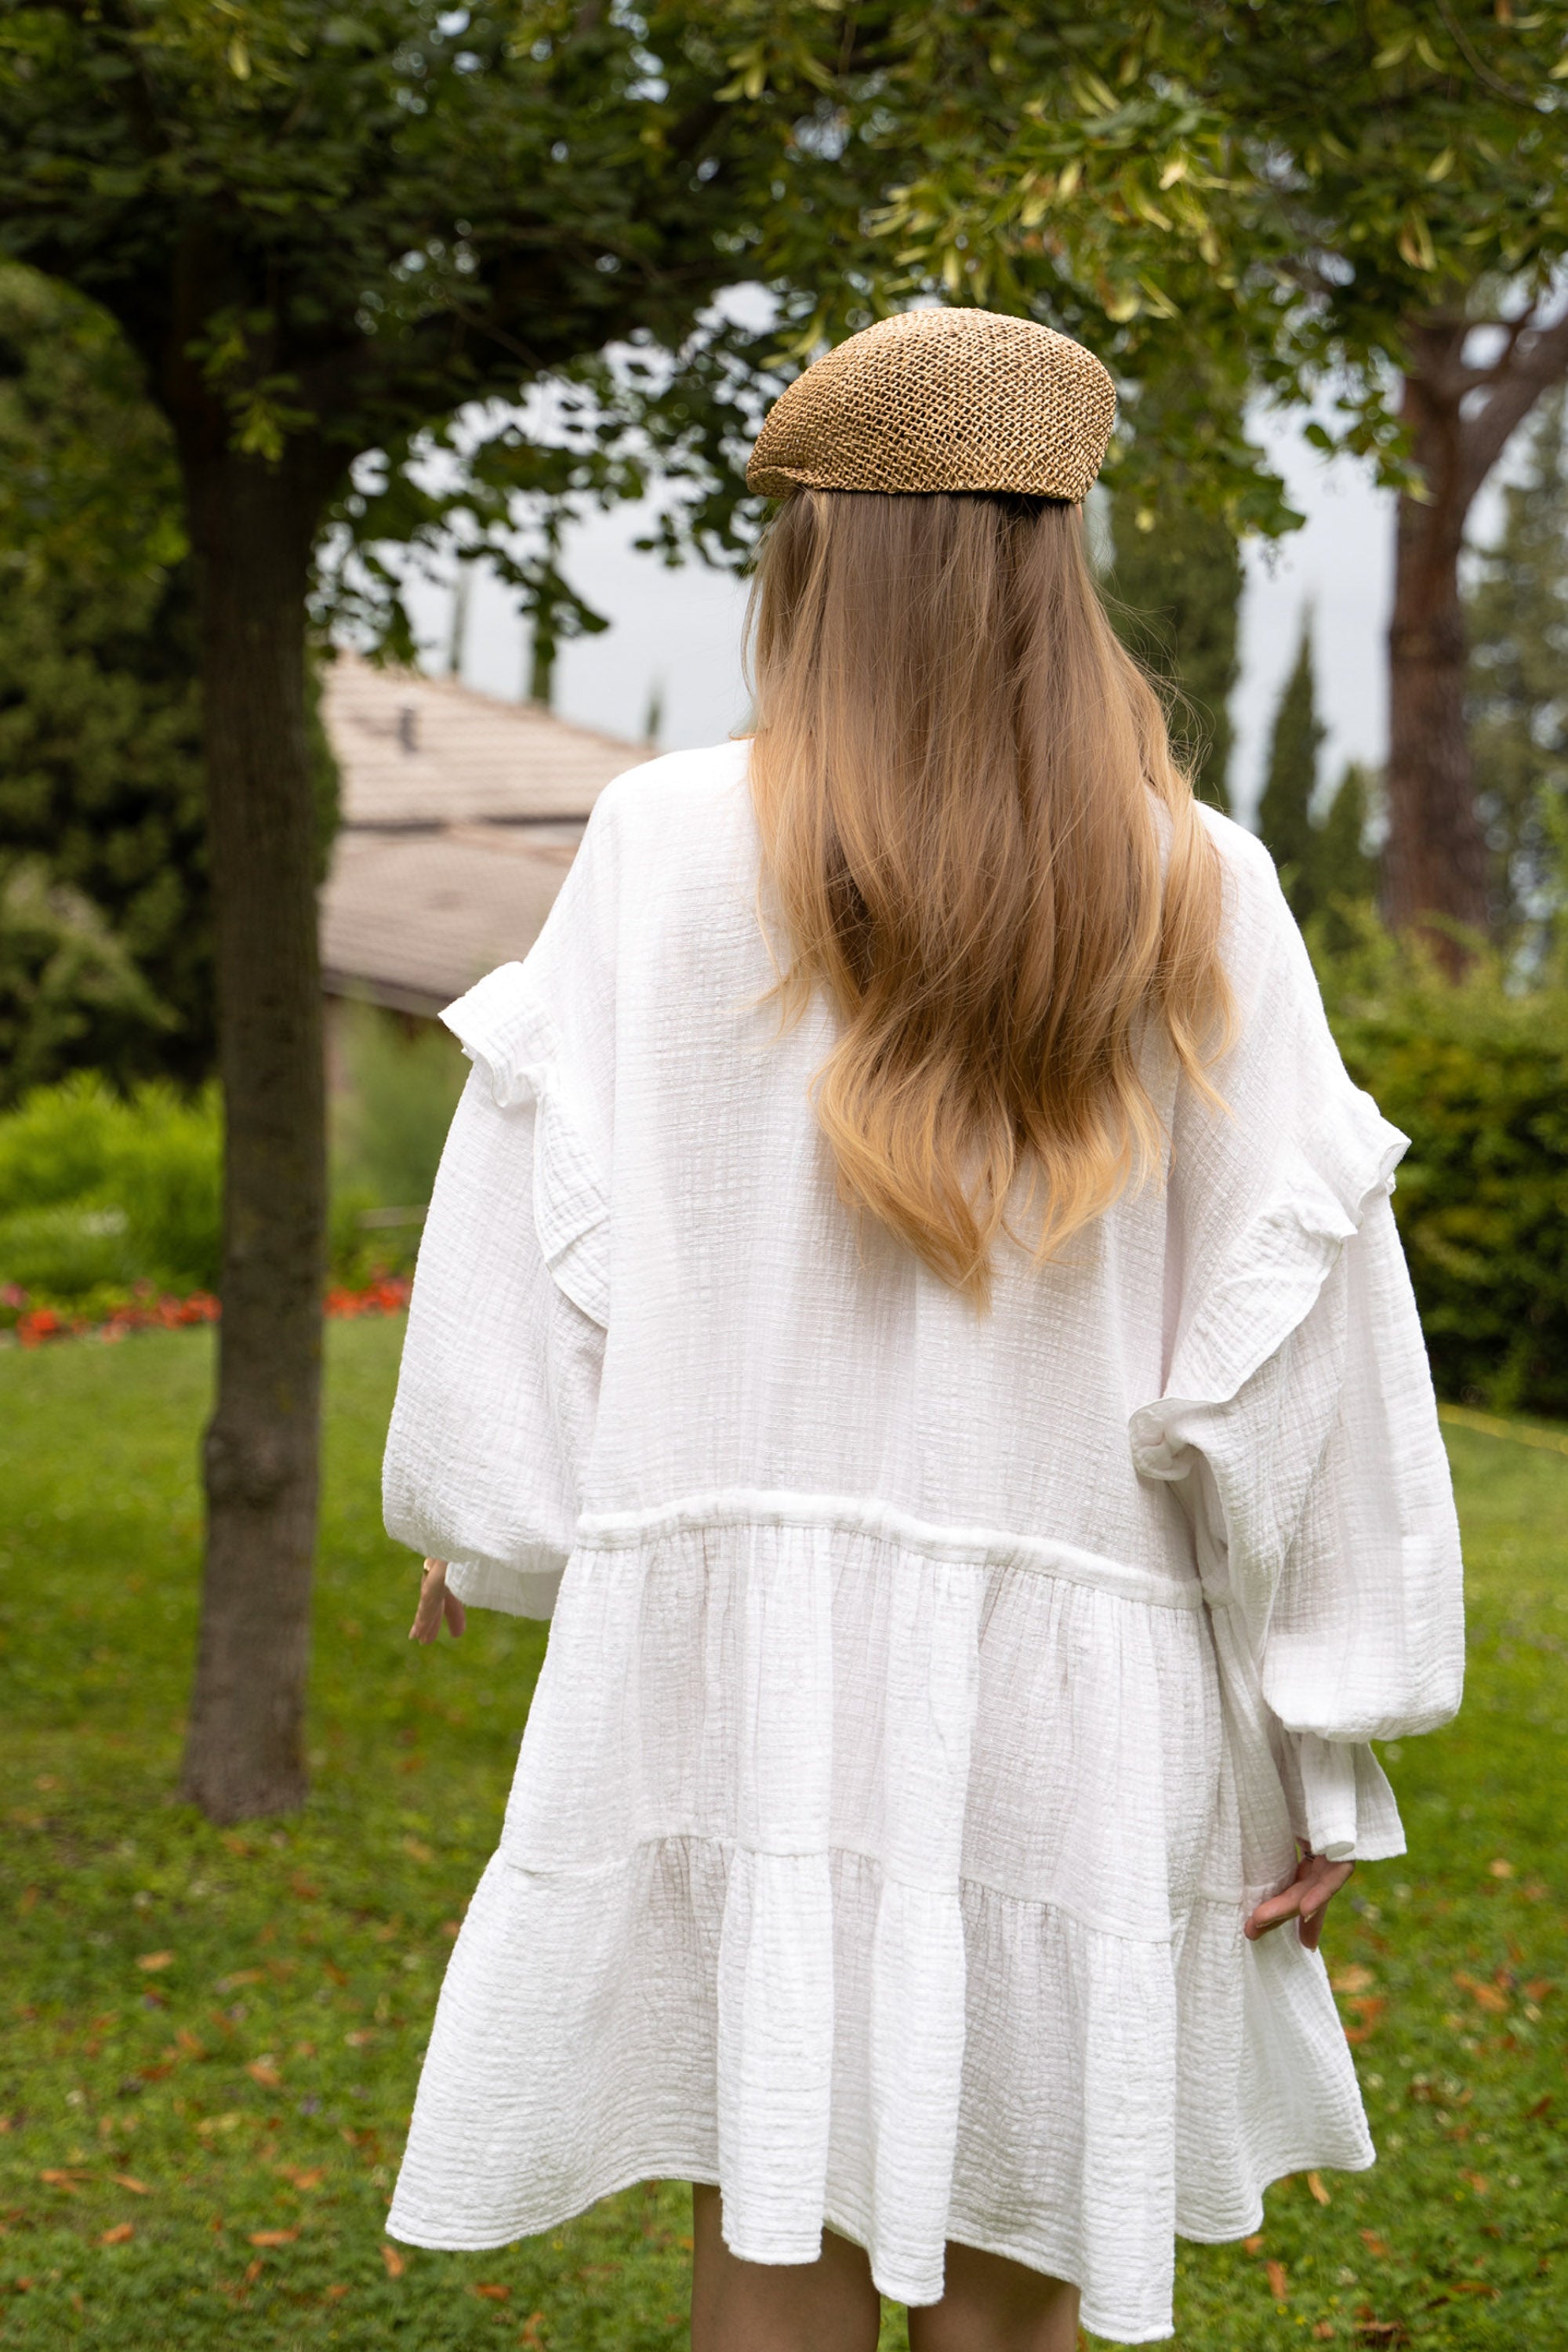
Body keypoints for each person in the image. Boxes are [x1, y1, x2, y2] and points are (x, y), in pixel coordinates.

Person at [380, 307, 1465, 2350]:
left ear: (809, 554)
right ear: (1061, 558)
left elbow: (542, 1215)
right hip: (1087, 1696)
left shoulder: (665, 845)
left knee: (764, 2237)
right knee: (1017, 2295)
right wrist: (1329, 1723)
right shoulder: (1199, 887)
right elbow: (1294, 1341)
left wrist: (494, 1503)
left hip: (745, 1667)